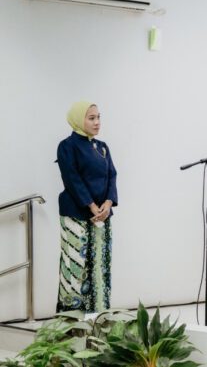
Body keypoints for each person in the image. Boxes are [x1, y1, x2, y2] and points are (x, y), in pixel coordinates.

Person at [56, 101, 117, 313]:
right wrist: (91, 205)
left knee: (100, 266)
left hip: (103, 215)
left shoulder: (102, 147)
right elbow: (72, 178)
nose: (97, 122)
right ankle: (71, 321)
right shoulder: (67, 146)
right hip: (76, 214)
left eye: (98, 117)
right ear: (78, 120)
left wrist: (108, 203)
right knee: (76, 267)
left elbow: (112, 175)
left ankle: (99, 316)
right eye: (91, 118)